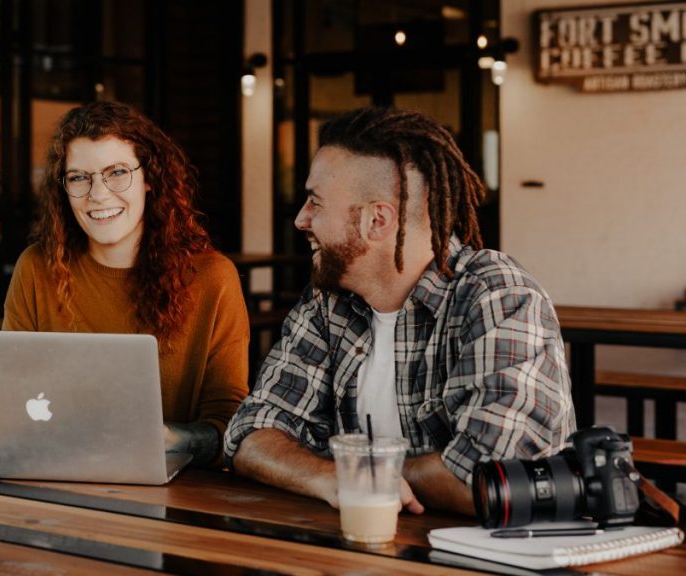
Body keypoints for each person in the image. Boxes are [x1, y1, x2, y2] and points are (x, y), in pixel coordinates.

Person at [224, 107, 575, 515]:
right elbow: (250, 435)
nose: (301, 219)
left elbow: (489, 476)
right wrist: (327, 477)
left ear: (377, 220)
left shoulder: (497, 295)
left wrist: (359, 475)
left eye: (315, 202)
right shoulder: (328, 301)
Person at [4, 101, 249, 466]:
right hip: (51, 471)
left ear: (150, 179)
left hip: (173, 491)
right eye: (78, 177)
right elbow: (5, 393)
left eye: (117, 172)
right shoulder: (36, 268)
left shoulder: (213, 278)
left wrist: (167, 438)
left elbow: (228, 421)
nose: (98, 194)